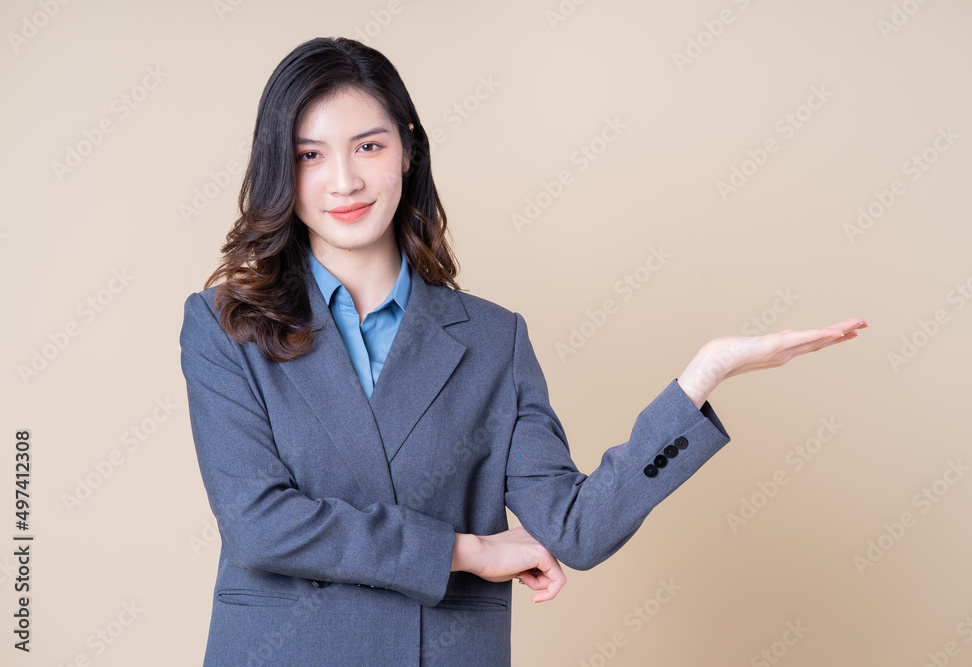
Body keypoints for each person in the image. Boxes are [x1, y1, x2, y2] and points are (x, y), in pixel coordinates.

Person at [179, 36, 867, 667]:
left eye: (368, 146)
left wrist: (703, 375)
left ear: (408, 148)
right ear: (280, 165)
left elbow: (575, 527)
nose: (344, 181)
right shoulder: (223, 325)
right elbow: (257, 524)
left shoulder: (492, 339)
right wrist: (464, 550)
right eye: (309, 154)